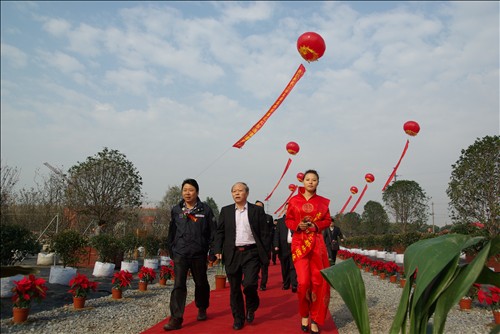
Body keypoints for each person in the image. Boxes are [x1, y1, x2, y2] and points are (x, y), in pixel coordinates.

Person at [214, 182, 269, 331]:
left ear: (247, 193)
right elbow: (220, 232)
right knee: (234, 289)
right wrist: (217, 249)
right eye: (234, 191)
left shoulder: (256, 211)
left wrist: (265, 252)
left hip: (251, 252)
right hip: (232, 253)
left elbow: (265, 233)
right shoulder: (225, 211)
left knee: (250, 284)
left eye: (240, 190)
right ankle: (238, 318)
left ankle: (252, 305)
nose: (237, 193)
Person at [164, 179, 217, 331]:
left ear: (197, 192)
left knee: (201, 283)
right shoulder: (176, 210)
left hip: (198, 253)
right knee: (179, 285)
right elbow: (171, 233)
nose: (188, 193)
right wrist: (172, 250)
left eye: (191, 190)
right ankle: (176, 318)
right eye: (185, 190)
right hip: (180, 253)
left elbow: (213, 233)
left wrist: (212, 252)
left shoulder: (205, 210)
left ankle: (202, 307)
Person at [286, 170, 331, 334]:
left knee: (318, 283)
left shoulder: (323, 202)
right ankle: (304, 314)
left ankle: (315, 319)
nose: (310, 182)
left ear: (317, 182)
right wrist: (297, 225)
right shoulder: (294, 201)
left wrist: (316, 226)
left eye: (314, 180)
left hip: (317, 246)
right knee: (304, 282)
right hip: (300, 245)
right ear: (302, 181)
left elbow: (327, 220)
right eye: (308, 179)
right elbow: (288, 219)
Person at [273, 207, 297, 292]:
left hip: (294, 246)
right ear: (284, 210)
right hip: (283, 247)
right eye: (287, 208)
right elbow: (276, 235)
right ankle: (286, 284)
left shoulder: (297, 220)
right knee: (285, 267)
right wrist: (276, 245)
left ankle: (294, 285)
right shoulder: (280, 222)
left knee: (293, 266)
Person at [255, 200, 273, 291]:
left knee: (264, 267)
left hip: (265, 247)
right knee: (254, 268)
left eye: (260, 207)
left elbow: (271, 232)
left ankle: (263, 284)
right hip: (254, 248)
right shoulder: (251, 218)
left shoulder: (268, 218)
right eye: (256, 206)